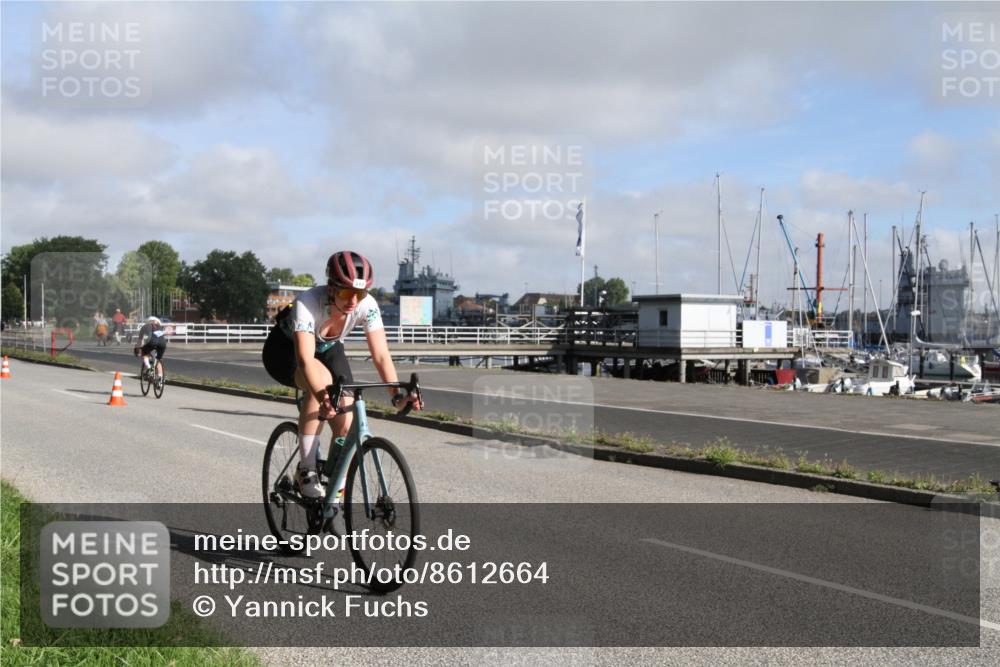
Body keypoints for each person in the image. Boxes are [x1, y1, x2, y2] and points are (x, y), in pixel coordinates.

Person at [265, 250, 421, 498]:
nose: (353, 301)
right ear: (331, 288)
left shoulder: (366, 305)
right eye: (347, 292)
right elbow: (305, 360)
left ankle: (334, 492)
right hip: (285, 353)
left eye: (360, 293)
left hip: (328, 347)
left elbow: (380, 355)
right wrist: (322, 396)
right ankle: (305, 469)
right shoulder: (308, 302)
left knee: (346, 420)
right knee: (324, 386)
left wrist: (397, 394)